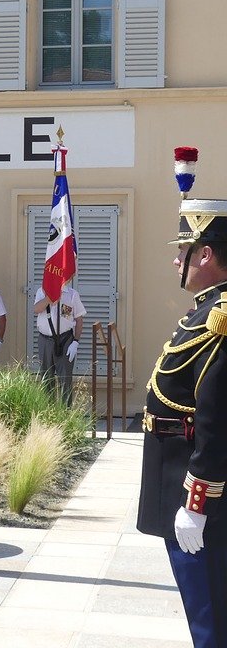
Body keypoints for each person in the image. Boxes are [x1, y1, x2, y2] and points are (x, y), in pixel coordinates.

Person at [138, 195, 227, 647]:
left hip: (201, 498)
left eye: (184, 250)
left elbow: (216, 418)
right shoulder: (204, 310)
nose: (177, 259)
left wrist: (196, 503)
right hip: (179, 482)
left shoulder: (219, 318)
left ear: (206, 255)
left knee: (210, 616)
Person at [33, 284, 86, 405]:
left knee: (65, 379)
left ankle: (65, 414)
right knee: (47, 377)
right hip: (45, 339)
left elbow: (79, 320)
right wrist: (48, 298)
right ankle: (48, 412)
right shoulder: (41, 291)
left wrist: (75, 342)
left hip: (65, 340)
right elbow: (36, 309)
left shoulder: (72, 294)